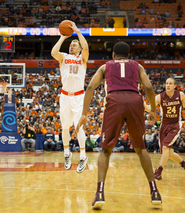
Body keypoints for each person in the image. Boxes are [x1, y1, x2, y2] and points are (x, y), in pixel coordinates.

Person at [76, 41, 162, 209]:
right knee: (140, 148)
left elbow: (91, 87)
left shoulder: (105, 66)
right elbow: (149, 87)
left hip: (115, 101)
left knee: (106, 150)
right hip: (135, 101)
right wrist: (152, 109)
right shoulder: (137, 66)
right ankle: (155, 192)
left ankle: (99, 193)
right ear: (128, 56)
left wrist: (84, 114)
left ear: (113, 55)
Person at [145, 77, 185, 180]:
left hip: (175, 125)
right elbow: (149, 108)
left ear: (175, 86)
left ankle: (158, 172)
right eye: (166, 83)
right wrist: (141, 102)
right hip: (164, 125)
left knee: (166, 148)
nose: (168, 85)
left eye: (170, 83)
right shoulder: (160, 97)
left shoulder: (180, 95)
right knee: (169, 153)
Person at [51, 21, 89, 173]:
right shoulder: (64, 57)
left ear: (79, 48)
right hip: (65, 96)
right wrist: (62, 37)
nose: (71, 46)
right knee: (65, 127)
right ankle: (67, 153)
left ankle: (83, 156)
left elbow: (86, 47)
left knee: (78, 126)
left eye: (74, 45)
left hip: (79, 97)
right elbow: (53, 53)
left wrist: (78, 33)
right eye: (71, 45)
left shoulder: (82, 59)